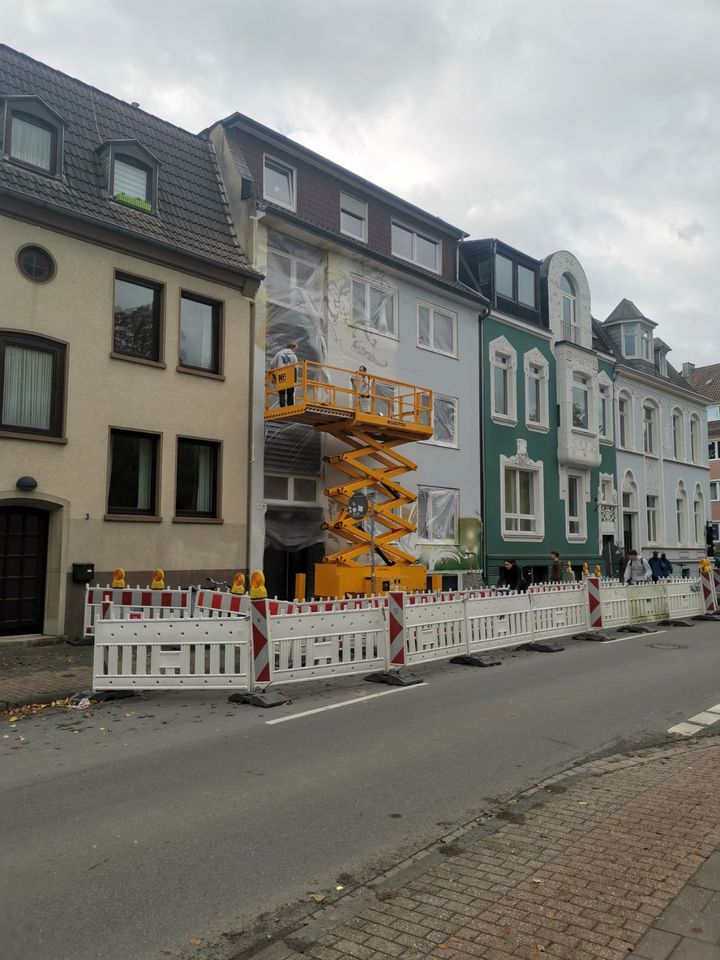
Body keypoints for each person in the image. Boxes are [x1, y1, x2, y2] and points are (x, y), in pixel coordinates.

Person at [269, 340, 298, 407]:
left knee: (282, 393)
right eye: (294, 348)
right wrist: (295, 379)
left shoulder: (279, 353)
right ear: (292, 347)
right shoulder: (293, 356)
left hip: (281, 373)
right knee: (290, 393)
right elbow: (296, 367)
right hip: (290, 374)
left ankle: (282, 407)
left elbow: (272, 364)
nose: (295, 350)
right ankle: (290, 407)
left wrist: (273, 372)